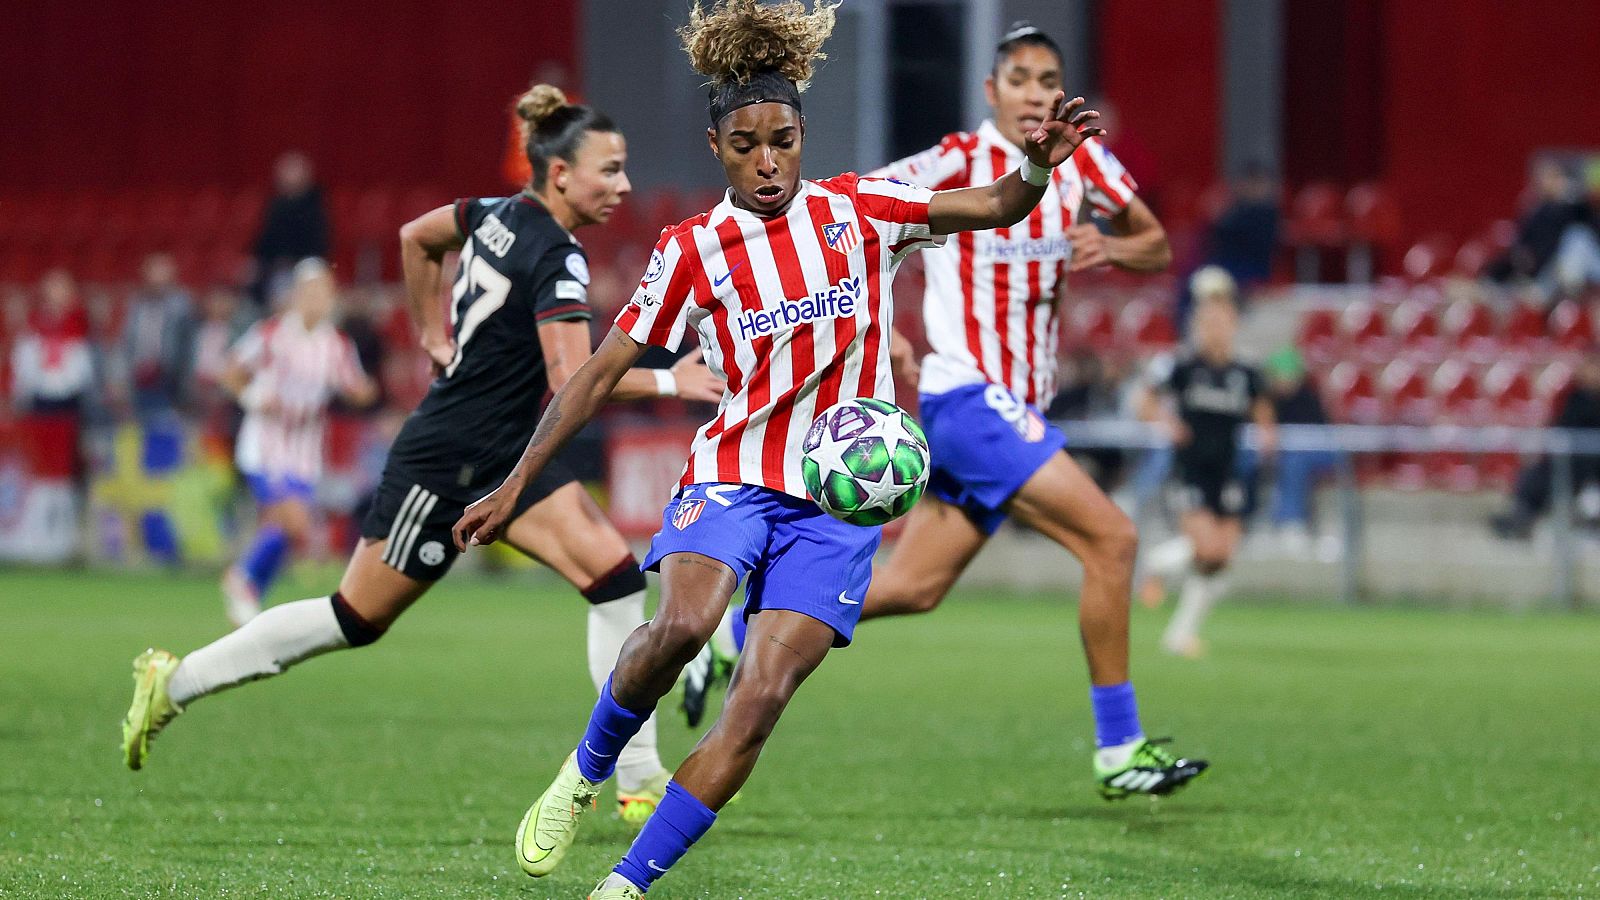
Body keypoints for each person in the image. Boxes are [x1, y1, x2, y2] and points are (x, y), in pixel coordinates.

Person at [450, 2, 1106, 895]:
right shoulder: (693, 249)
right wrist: (514, 481)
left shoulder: (862, 211)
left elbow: (994, 204)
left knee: (757, 701)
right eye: (746, 145)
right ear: (716, 146)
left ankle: (624, 886)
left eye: (783, 141)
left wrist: (1034, 165)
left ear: (803, 136)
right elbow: (597, 374)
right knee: (683, 626)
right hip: (737, 470)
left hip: (837, 503)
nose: (767, 162)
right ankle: (586, 769)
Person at [120, 85, 725, 827]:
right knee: (355, 617)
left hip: (507, 452)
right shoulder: (556, 254)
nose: (624, 185)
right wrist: (670, 379)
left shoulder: (491, 213)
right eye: (610, 169)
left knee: (615, 581)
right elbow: (572, 378)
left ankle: (637, 777)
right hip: (449, 461)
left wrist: (430, 333)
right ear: (562, 174)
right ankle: (174, 683)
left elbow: (417, 237)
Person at [796, 21, 1199, 802]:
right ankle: (1119, 748)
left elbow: (1154, 244)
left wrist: (1112, 248)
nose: (1035, 93)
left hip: (1012, 412)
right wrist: (883, 330)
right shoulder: (956, 161)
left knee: (912, 588)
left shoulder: (1084, 161)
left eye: (1047, 80)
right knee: (1114, 540)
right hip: (968, 399)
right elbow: (854, 218)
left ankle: (744, 620)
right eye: (1019, 79)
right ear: (992, 91)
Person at [217, 258, 378, 625]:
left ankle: (249, 591)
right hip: (264, 444)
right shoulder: (271, 333)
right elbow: (230, 371)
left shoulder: (335, 345)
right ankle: (241, 577)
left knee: (286, 527)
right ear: (296, 295)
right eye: (310, 291)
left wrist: (366, 391)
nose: (317, 299)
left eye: (324, 292)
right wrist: (254, 397)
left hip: (305, 452)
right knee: (295, 521)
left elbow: (356, 389)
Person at [1138, 267, 1276, 658]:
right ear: (1198, 326)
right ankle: (1158, 571)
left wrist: (1267, 437)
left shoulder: (1245, 371)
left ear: (1234, 325)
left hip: (1229, 469)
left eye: (1222, 322)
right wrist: (1168, 423)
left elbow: (1263, 411)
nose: (1216, 329)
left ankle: (1176, 624)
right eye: (1209, 322)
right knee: (1210, 549)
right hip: (1191, 468)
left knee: (1220, 558)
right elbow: (1144, 400)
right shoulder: (1184, 365)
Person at [1490, 352, 1600, 540]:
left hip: (1592, 464)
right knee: (1533, 476)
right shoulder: (1575, 396)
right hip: (1570, 460)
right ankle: (1521, 520)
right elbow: (1561, 427)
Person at [251, 152, 331, 307]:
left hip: (305, 263)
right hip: (277, 267)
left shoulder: (316, 204)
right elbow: (265, 240)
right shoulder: (276, 205)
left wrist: (292, 260)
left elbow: (319, 242)